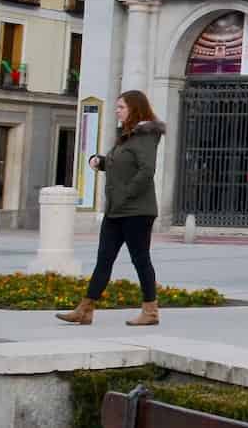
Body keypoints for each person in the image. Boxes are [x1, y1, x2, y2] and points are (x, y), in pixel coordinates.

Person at [56, 90, 165, 327]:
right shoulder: (127, 137)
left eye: (121, 107)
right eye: (117, 107)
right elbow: (123, 166)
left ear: (134, 109)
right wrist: (102, 161)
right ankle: (85, 310)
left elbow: (147, 170)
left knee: (141, 260)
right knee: (104, 259)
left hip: (137, 211)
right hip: (116, 210)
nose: (117, 111)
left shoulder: (145, 137)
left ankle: (150, 311)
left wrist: (126, 194)